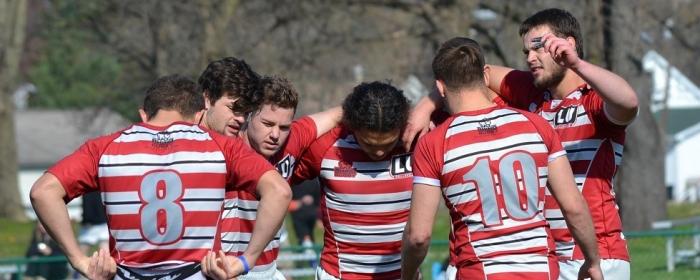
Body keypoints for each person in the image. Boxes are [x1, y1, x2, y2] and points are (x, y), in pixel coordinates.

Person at [405, 8, 638, 280]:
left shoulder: (593, 99)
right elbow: (469, 76)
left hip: (596, 252)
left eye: (539, 46)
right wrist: (427, 104)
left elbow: (628, 101)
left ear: (569, 44)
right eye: (526, 51)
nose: (531, 57)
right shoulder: (533, 96)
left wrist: (577, 64)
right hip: (544, 255)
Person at [30, 75, 291, 280]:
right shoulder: (221, 147)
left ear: (145, 114)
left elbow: (43, 191)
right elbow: (279, 192)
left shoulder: (104, 148)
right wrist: (247, 259)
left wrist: (78, 259)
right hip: (197, 273)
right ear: (199, 114)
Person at [214, 75, 341, 279]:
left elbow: (339, 113)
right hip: (228, 269)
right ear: (249, 115)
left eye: (283, 127)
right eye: (267, 123)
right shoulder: (227, 149)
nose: (275, 135)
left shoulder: (293, 139)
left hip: (269, 269)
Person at [292, 81, 413, 280]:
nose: (380, 151)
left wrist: (427, 106)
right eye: (369, 143)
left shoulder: (416, 142)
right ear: (352, 127)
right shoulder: (327, 146)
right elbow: (276, 173)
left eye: (388, 143)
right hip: (338, 275)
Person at [198, 57, 261, 137]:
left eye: (246, 113)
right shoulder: (182, 142)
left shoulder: (242, 147)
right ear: (208, 99)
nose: (241, 119)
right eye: (233, 108)